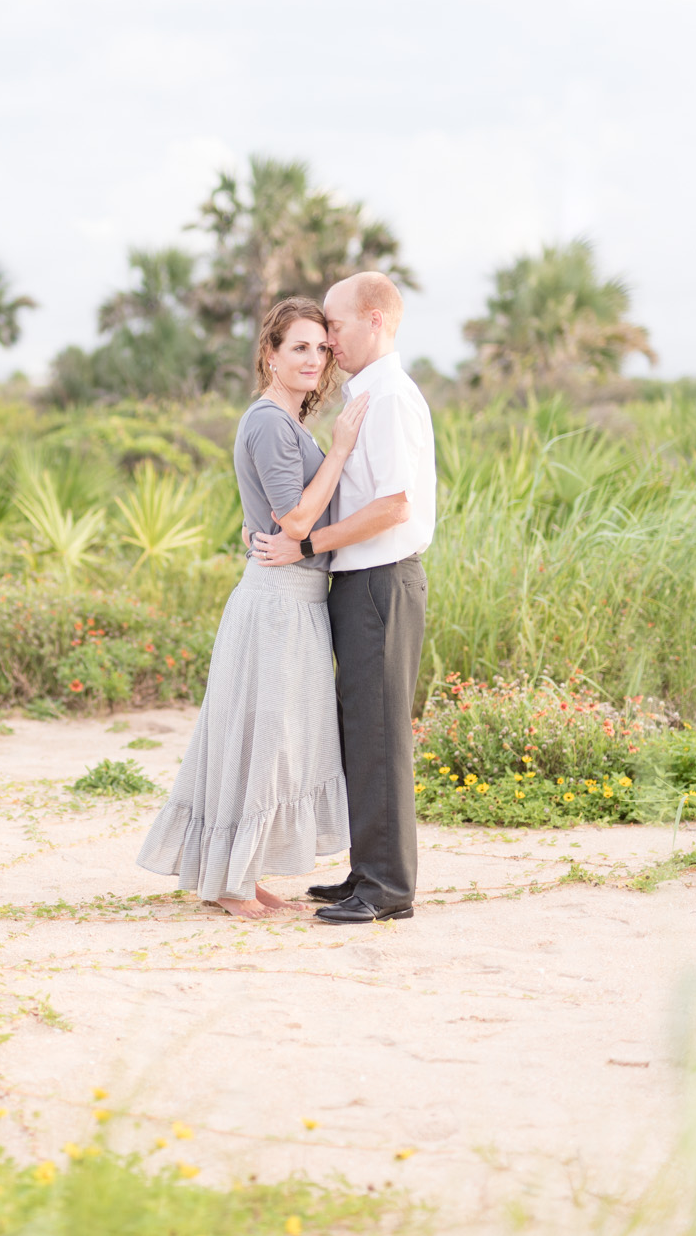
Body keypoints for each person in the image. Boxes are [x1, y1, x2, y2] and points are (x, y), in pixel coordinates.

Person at [136, 298, 371, 918]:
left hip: (292, 600)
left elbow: (271, 516)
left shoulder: (285, 424)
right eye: (298, 346)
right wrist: (342, 450)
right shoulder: (269, 421)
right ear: (269, 354)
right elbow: (293, 518)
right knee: (262, 736)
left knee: (271, 737)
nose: (313, 359)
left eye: (321, 349)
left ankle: (239, 873)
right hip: (277, 604)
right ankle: (230, 882)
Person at [252, 271, 435, 924]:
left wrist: (305, 544)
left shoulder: (387, 398)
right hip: (358, 580)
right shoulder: (367, 394)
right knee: (362, 728)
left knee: (381, 733)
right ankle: (367, 871)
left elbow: (393, 504)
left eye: (335, 325)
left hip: (381, 578)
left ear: (374, 321)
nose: (327, 340)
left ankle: (387, 888)